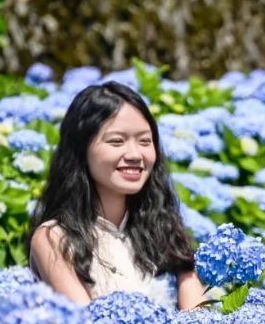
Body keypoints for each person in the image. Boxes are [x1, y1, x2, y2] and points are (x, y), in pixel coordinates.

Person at [27, 81, 207, 310]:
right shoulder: (54, 238)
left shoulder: (167, 233)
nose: (135, 154)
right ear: (82, 150)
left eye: (145, 141)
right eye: (116, 141)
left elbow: (200, 323)